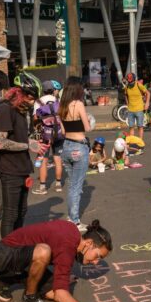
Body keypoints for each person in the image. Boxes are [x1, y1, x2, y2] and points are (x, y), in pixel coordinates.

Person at [0, 219, 118, 302]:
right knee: (43, 252)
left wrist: (61, 280)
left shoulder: (72, 233)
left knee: (51, 292)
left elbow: (57, 287)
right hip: (0, 255)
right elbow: (61, 295)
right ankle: (29, 299)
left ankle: (6, 279)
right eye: (98, 256)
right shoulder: (67, 246)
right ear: (89, 243)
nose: (96, 263)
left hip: (15, 258)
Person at [0, 72, 46, 238]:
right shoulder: (5, 109)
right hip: (10, 169)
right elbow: (1, 142)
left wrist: (34, 143)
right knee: (10, 214)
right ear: (19, 92)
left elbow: (21, 137)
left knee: (21, 211)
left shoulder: (21, 110)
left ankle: (16, 246)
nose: (32, 102)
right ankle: (7, 249)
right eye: (31, 98)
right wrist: (27, 145)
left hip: (22, 168)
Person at [59, 76, 93, 232]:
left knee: (72, 185)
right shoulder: (78, 104)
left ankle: (71, 217)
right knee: (76, 187)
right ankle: (74, 220)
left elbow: (63, 131)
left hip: (66, 146)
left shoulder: (62, 106)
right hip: (79, 146)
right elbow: (87, 127)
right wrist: (89, 120)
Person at [32, 80, 64, 195]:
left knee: (43, 160)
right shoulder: (57, 101)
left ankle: (43, 187)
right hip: (58, 133)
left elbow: (35, 119)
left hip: (45, 134)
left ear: (43, 90)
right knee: (57, 159)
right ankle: (58, 185)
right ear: (53, 90)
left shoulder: (38, 101)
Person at [123, 72, 149, 142]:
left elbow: (148, 93)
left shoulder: (138, 84)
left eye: (131, 80)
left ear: (134, 79)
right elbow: (125, 95)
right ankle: (132, 141)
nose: (130, 82)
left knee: (140, 127)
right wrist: (127, 104)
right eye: (128, 80)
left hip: (139, 109)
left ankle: (140, 142)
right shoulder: (127, 87)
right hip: (130, 110)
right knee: (131, 127)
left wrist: (147, 103)